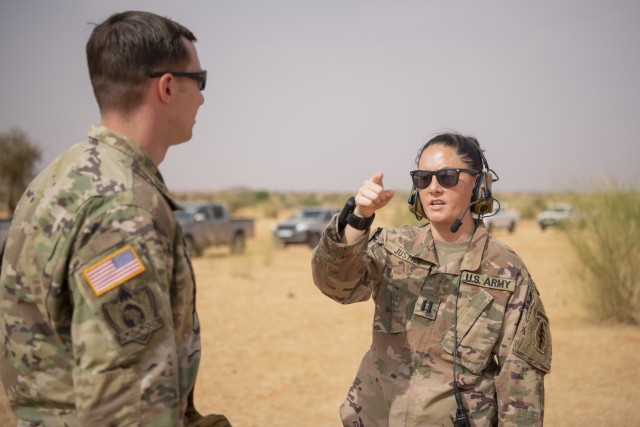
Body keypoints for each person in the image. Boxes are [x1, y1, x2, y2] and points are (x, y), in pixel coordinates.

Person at [0, 11, 230, 426]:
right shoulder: (124, 208)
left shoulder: (59, 176)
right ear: (166, 86)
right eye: (200, 80)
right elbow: (129, 407)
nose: (202, 97)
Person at [311, 132, 552, 426]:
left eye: (447, 177)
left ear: (478, 184)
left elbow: (520, 388)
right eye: (423, 178)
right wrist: (359, 218)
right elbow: (337, 286)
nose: (433, 188)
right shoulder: (394, 247)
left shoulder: (506, 271)